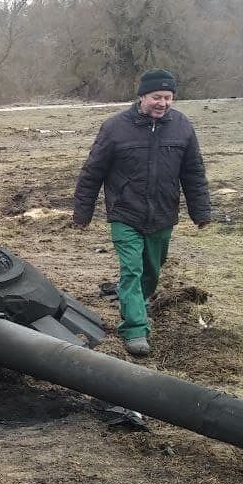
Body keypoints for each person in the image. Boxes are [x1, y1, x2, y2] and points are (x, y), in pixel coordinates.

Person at [73, 68, 212, 356]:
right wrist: (82, 214)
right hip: (126, 213)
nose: (162, 103)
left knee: (152, 268)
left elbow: (194, 173)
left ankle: (136, 300)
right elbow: (91, 173)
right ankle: (135, 328)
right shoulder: (115, 127)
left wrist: (201, 212)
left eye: (168, 97)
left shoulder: (182, 126)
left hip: (163, 214)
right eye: (156, 97)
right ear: (141, 97)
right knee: (132, 270)